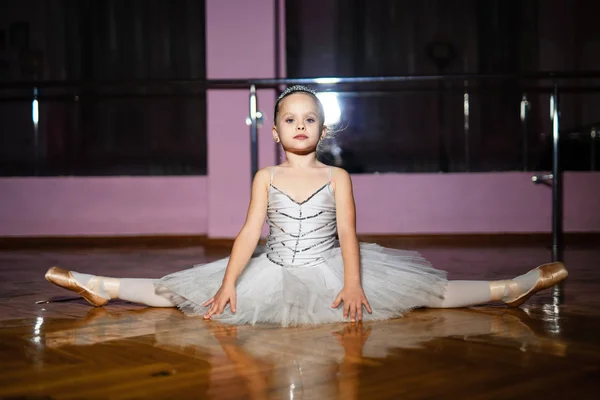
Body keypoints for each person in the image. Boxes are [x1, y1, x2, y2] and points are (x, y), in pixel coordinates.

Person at [44, 85, 568, 327]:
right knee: (188, 295)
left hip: (329, 267)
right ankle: (102, 286)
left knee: (425, 293)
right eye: (289, 118)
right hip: (271, 266)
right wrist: (229, 279)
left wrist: (355, 281)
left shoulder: (337, 176)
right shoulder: (265, 175)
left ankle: (509, 287)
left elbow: (347, 235)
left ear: (323, 128)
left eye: (309, 118)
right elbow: (250, 233)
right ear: (273, 132)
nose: (299, 124)